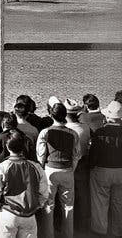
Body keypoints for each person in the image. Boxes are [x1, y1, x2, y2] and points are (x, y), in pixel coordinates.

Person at [0, 131, 49, 238]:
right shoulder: (36, 167)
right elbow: (44, 191)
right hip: (29, 214)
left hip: (8, 213)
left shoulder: (2, 167)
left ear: (7, 147)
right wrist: (39, 205)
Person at [36, 102, 80, 238]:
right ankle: (68, 235)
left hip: (50, 170)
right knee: (68, 206)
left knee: (49, 205)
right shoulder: (73, 133)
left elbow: (41, 154)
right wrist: (72, 168)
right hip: (67, 170)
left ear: (51, 115)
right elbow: (76, 155)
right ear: (65, 115)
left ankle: (48, 235)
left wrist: (43, 168)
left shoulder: (45, 132)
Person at [89, 100, 122, 236]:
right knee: (118, 203)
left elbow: (93, 154)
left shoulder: (99, 132)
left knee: (100, 202)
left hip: (102, 170)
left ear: (108, 117)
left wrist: (90, 166)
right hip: (120, 171)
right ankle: (117, 231)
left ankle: (100, 230)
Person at [64, 98, 91, 232]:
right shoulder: (85, 128)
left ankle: (67, 224)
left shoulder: (66, 129)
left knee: (66, 196)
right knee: (82, 195)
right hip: (83, 164)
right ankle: (82, 225)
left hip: (68, 165)